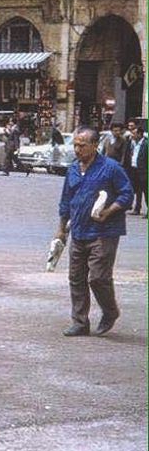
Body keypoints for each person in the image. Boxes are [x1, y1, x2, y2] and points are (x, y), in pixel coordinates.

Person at [56, 126, 133, 337]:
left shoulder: (111, 168)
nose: (77, 149)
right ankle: (80, 322)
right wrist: (61, 230)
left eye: (82, 145)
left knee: (98, 278)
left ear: (94, 145)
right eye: (75, 145)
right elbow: (66, 201)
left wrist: (109, 211)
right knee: (76, 277)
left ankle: (110, 311)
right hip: (79, 231)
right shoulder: (73, 169)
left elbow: (127, 195)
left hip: (104, 232)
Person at [126, 126, 147, 217]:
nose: (132, 135)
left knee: (146, 191)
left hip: (144, 171)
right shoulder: (133, 143)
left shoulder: (146, 144)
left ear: (140, 134)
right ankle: (137, 208)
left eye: (134, 133)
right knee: (137, 190)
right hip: (134, 169)